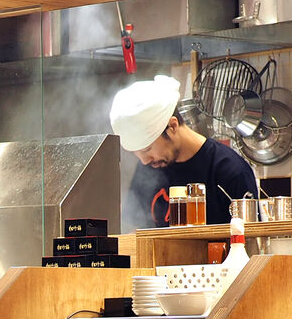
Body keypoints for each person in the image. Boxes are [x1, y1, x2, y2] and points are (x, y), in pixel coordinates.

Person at [110, 73, 258, 228]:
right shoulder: (148, 169)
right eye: (136, 154)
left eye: (147, 149)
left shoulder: (230, 171)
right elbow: (133, 230)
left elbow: (250, 238)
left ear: (172, 126)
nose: (145, 160)